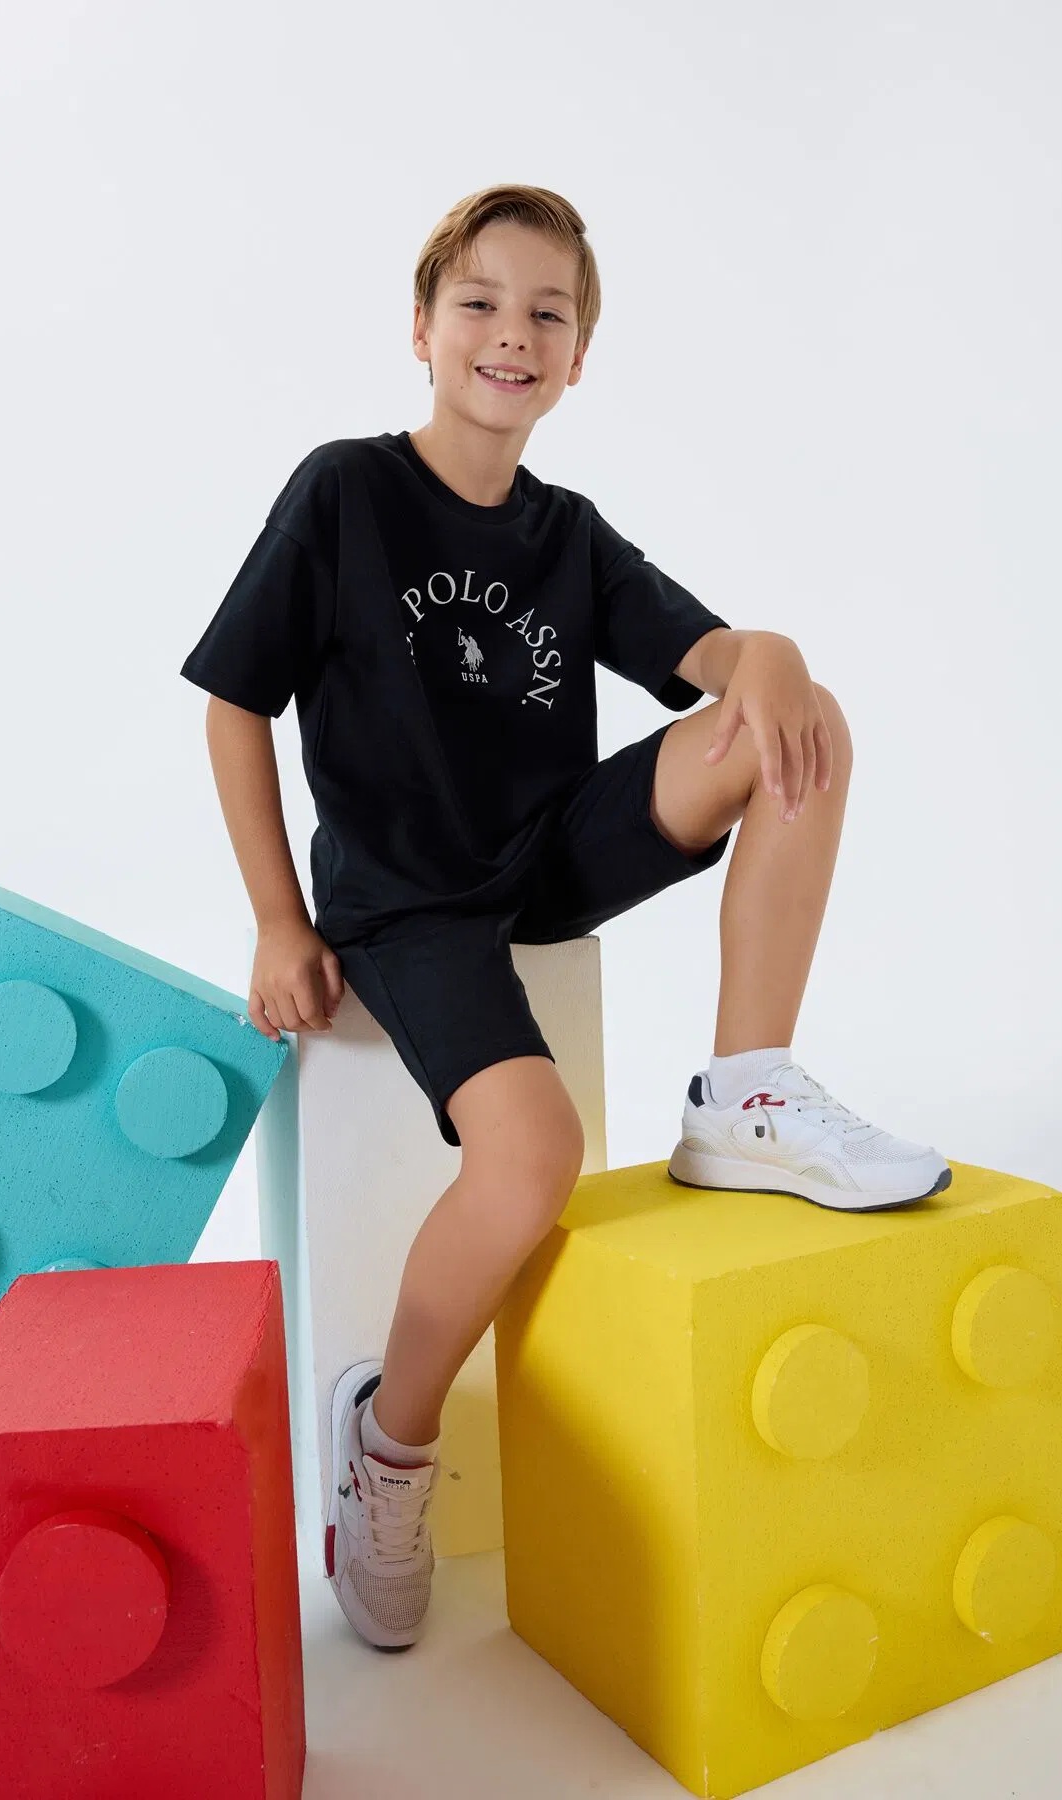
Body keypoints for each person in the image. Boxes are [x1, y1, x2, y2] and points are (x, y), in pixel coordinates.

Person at [180, 184, 951, 1655]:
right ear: (421, 328)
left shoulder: (566, 532)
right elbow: (234, 702)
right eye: (479, 302)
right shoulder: (345, 492)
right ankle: (390, 1444)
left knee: (800, 722)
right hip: (405, 897)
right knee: (533, 1154)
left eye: (547, 312)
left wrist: (776, 651)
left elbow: (715, 656)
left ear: (579, 356)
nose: (511, 333)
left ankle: (746, 1090)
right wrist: (279, 919)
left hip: (541, 854)